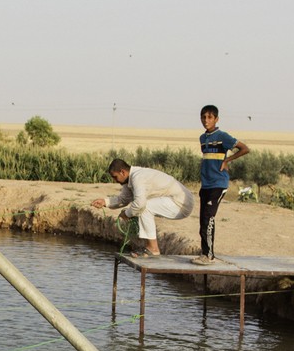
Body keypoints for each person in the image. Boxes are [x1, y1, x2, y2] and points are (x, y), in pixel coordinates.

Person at [91, 158, 194, 257]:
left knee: (144, 207)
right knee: (142, 207)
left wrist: (127, 214)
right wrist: (105, 202)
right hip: (175, 201)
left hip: (181, 203)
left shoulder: (137, 177)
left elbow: (140, 204)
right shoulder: (130, 179)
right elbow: (123, 199)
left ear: (122, 172)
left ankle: (153, 249)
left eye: (115, 177)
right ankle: (150, 247)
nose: (114, 180)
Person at [193, 105, 250, 264]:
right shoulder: (202, 138)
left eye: (210, 117)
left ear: (216, 119)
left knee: (208, 217)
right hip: (206, 185)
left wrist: (227, 160)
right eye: (203, 117)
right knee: (203, 220)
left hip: (218, 183)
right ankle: (205, 253)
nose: (206, 120)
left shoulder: (222, 136)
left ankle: (209, 256)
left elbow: (245, 149)